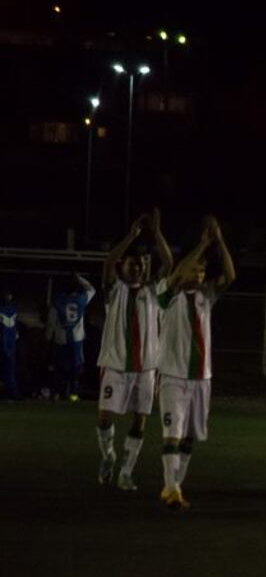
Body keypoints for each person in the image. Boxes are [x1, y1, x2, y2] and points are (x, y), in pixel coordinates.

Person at [156, 216, 236, 510]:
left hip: (202, 378)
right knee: (172, 433)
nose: (199, 275)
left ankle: (174, 485)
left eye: (202, 271)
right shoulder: (168, 294)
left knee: (190, 437)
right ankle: (172, 487)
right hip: (173, 377)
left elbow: (230, 275)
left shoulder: (207, 296)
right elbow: (176, 275)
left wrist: (219, 240)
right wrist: (203, 244)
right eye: (194, 269)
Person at [95, 209, 174, 490]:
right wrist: (131, 235)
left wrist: (156, 232)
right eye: (132, 264)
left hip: (146, 368)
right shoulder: (114, 289)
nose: (137, 268)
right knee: (104, 417)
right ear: (122, 268)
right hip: (115, 365)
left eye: (140, 264)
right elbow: (108, 262)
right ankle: (108, 456)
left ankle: (126, 472)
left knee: (140, 422)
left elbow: (168, 262)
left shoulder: (153, 291)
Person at [46, 273, 96, 400]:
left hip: (60, 338)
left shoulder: (58, 301)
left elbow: (51, 321)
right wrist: (80, 278)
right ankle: (73, 393)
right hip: (76, 338)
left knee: (59, 366)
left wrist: (48, 337)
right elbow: (92, 289)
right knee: (76, 366)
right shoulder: (81, 298)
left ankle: (57, 392)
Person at [0, 289, 21, 399]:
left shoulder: (13, 310)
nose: (8, 297)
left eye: (10, 294)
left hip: (10, 346)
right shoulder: (5, 309)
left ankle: (12, 393)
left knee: (10, 371)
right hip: (4, 345)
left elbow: (15, 328)